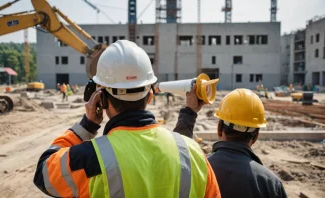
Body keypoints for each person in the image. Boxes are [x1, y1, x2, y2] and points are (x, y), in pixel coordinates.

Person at [33, 40, 221, 198]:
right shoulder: (193, 154)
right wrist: (189, 113)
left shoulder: (89, 158)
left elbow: (44, 173)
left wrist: (87, 126)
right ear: (149, 97)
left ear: (103, 100)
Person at [174, 88, 287, 198]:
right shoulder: (271, 184)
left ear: (219, 129)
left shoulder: (199, 170)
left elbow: (180, 157)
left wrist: (189, 112)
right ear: (255, 137)